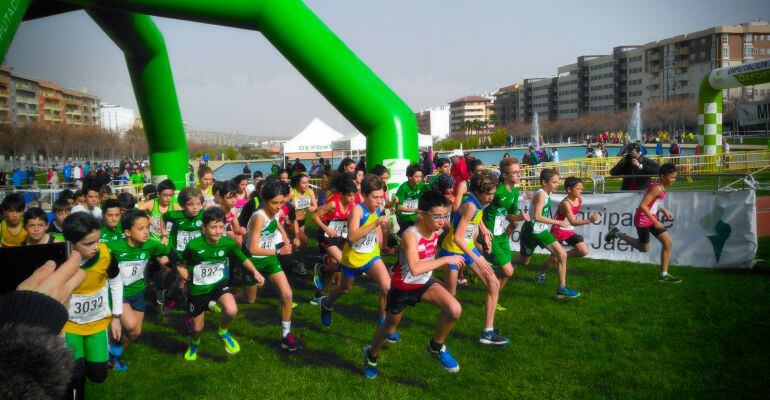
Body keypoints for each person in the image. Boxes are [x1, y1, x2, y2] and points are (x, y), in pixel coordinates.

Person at [362, 191, 464, 378]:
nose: (441, 221)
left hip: (425, 283)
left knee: (454, 309)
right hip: (403, 287)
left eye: (444, 216)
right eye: (437, 217)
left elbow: (450, 228)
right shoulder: (410, 235)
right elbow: (415, 268)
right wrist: (446, 259)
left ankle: (435, 347)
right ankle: (371, 356)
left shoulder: (438, 229)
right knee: (389, 328)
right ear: (422, 215)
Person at [319, 175, 399, 342]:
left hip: (370, 255)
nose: (379, 201)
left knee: (387, 287)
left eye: (381, 197)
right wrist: (375, 224)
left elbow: (376, 224)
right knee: (345, 289)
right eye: (375, 197)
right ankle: (326, 303)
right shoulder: (358, 210)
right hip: (353, 257)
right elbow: (352, 237)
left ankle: (383, 323)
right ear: (364, 195)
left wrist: (379, 240)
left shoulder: (376, 207)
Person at [180, 207, 264, 361]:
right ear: (203, 227)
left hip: (218, 285)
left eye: (221, 227)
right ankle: (195, 343)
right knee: (197, 328)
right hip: (198, 290)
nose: (218, 231)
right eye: (213, 227)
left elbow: (242, 257)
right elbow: (182, 263)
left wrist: (255, 272)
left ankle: (222, 332)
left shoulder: (227, 243)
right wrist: (185, 280)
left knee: (231, 310)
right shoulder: (193, 246)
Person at [437, 170, 509, 345]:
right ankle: (438, 334)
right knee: (450, 296)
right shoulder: (470, 205)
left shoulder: (479, 203)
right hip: (453, 250)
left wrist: (484, 231)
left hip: (467, 248)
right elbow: (458, 237)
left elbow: (476, 217)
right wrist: (478, 258)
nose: (491, 198)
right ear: (477, 191)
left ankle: (487, 332)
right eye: (488, 194)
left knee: (493, 283)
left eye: (493, 194)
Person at [61, 212, 123, 400]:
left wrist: (116, 317)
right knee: (74, 376)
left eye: (97, 240)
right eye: (88, 244)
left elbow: (116, 281)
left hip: (97, 323)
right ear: (71, 243)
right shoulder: (60, 260)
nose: (95, 247)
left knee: (98, 375)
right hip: (70, 325)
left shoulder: (105, 254)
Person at [106, 209, 174, 370]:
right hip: (118, 294)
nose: (146, 232)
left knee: (135, 332)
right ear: (128, 232)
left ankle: (115, 356)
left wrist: (177, 262)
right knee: (130, 324)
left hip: (137, 293)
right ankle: (108, 350)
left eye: (147, 228)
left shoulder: (150, 244)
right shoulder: (113, 247)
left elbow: (170, 252)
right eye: (141, 229)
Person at [246, 180, 300, 351]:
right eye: (274, 203)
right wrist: (279, 252)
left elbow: (275, 221)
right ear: (264, 200)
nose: (278, 207)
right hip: (252, 260)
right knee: (250, 300)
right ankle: (224, 295)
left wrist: (283, 233)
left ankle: (286, 335)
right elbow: (253, 248)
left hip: (269, 259)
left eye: (281, 202)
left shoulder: (274, 211)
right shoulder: (259, 217)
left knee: (287, 295)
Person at [605, 163, 680, 283]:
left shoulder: (659, 186)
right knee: (643, 248)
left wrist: (663, 210)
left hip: (651, 218)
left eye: (675, 177)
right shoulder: (657, 188)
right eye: (671, 177)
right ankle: (617, 233)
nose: (673, 180)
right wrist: (655, 221)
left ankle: (663, 275)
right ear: (662, 176)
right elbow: (643, 206)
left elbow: (652, 203)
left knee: (668, 243)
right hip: (643, 220)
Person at [514, 168, 580, 299]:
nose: (557, 184)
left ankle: (561, 289)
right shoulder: (541, 195)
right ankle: (499, 264)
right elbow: (537, 216)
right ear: (544, 182)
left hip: (541, 231)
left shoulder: (545, 193)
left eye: (557, 182)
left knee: (561, 255)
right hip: (531, 232)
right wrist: (559, 222)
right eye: (554, 182)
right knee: (524, 261)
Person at [480, 159, 528, 310]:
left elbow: (510, 216)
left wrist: (521, 217)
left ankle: (493, 300)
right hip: (490, 235)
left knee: (508, 272)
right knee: (507, 270)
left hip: (501, 235)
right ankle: (475, 267)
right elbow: (479, 209)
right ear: (505, 175)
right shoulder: (497, 191)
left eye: (519, 171)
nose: (519, 174)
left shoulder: (514, 192)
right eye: (515, 172)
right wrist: (482, 231)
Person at [537, 177, 600, 284]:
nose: (581, 191)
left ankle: (561, 256)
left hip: (569, 231)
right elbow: (572, 221)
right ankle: (541, 273)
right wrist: (589, 220)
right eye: (578, 189)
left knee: (583, 251)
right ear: (569, 190)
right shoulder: (566, 203)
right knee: (553, 259)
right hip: (558, 231)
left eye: (582, 189)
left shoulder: (579, 199)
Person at [311, 173, 357, 304]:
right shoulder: (333, 204)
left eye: (354, 195)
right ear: (342, 194)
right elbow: (315, 216)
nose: (353, 198)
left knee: (334, 267)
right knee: (344, 262)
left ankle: (318, 294)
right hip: (325, 236)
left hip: (338, 237)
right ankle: (321, 268)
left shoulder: (352, 205)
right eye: (350, 195)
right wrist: (326, 229)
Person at [159, 188, 205, 314]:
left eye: (198, 204)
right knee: (189, 280)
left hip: (196, 253)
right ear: (184, 205)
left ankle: (168, 297)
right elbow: (163, 217)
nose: (195, 207)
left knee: (181, 280)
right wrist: (164, 234)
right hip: (178, 254)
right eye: (191, 204)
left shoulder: (203, 215)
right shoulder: (176, 215)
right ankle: (192, 313)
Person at [395, 163, 429, 237]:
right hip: (404, 217)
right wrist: (414, 210)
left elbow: (431, 195)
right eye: (416, 176)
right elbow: (399, 207)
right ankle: (398, 240)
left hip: (416, 215)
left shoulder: (422, 185)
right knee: (407, 236)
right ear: (409, 177)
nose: (419, 179)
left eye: (420, 176)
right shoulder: (403, 188)